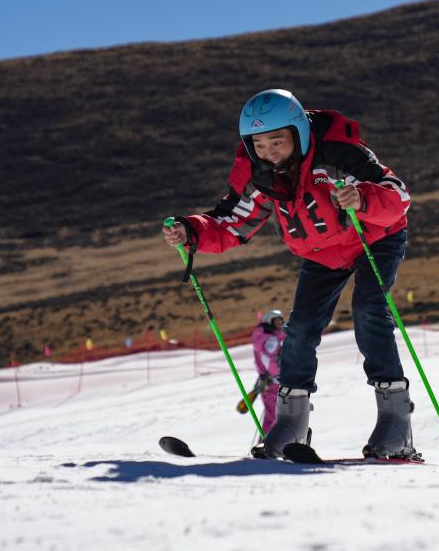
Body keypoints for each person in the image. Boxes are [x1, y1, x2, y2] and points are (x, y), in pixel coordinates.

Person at [163, 89, 419, 460]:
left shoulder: (336, 153)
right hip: (320, 253)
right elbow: (234, 219)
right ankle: (290, 423)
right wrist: (191, 231)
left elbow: (398, 195)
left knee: (368, 311)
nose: (269, 152)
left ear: (298, 133)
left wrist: (362, 198)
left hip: (374, 237)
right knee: (299, 329)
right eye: (259, 145)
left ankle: (395, 423)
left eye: (277, 142)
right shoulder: (261, 174)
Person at [250, 309, 285, 436]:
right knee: (276, 416)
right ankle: (269, 443)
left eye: (281, 321)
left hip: (271, 382)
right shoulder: (271, 340)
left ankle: (267, 442)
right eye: (277, 321)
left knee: (272, 416)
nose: (280, 324)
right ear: (269, 322)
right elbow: (268, 360)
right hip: (273, 381)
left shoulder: (266, 337)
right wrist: (278, 374)